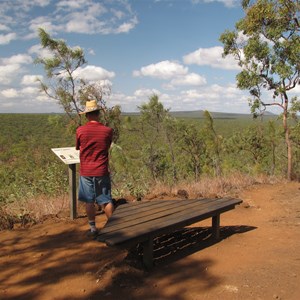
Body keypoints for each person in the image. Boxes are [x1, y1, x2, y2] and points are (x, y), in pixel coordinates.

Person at [76, 100, 114, 239]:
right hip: (102, 170)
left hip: (86, 170)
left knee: (89, 201)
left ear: (87, 115)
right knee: (106, 200)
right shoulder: (107, 131)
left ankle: (93, 229)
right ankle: (114, 228)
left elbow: (78, 147)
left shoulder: (80, 130)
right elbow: (107, 146)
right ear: (98, 114)